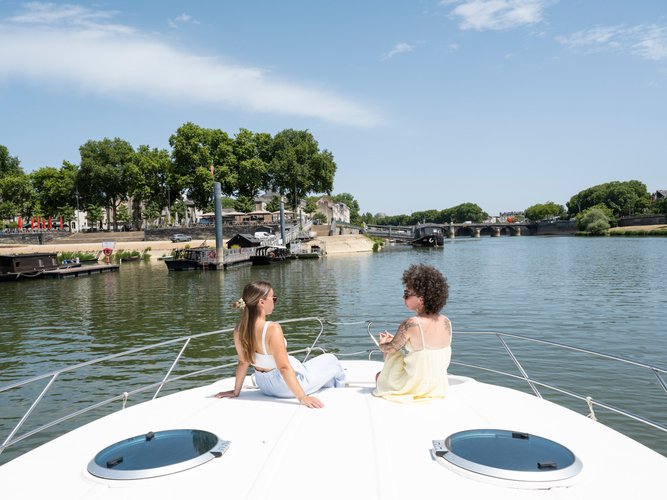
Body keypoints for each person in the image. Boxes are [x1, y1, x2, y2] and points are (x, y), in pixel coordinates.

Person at [215, 280, 346, 408]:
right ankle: (340, 395)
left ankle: (327, 385)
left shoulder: (239, 329)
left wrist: (236, 391)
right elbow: (283, 367)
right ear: (262, 302)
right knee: (331, 359)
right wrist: (302, 397)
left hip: (263, 385)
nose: (274, 301)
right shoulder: (272, 328)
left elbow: (243, 362)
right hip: (283, 386)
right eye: (274, 298)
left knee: (315, 370)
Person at [373, 264, 452, 403]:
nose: (403, 297)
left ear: (421, 299)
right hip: (437, 387)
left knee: (379, 376)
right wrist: (398, 340)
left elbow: (390, 348)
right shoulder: (446, 321)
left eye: (406, 294)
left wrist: (383, 344)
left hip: (414, 387)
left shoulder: (411, 323)